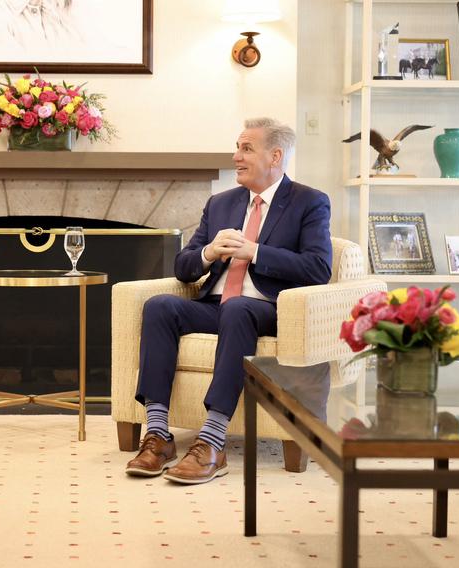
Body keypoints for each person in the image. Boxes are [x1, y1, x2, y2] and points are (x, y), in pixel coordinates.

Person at [124, 117, 332, 485]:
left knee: (238, 308)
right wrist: (208, 253)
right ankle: (158, 436)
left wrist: (256, 251)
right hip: (216, 305)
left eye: (246, 148)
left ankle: (212, 441)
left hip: (267, 308)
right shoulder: (220, 203)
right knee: (160, 305)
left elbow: (318, 268)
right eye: (237, 147)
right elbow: (183, 268)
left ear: (276, 155)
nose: (236, 156)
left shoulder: (308, 202)